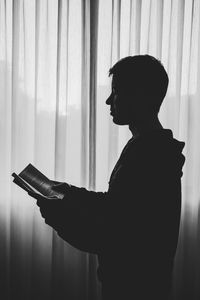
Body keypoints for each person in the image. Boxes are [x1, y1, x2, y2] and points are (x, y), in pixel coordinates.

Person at [28, 55, 185, 300]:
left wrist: (56, 214)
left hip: (134, 287)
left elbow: (114, 236)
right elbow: (116, 205)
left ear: (140, 95)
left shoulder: (150, 156)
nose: (108, 100)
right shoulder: (147, 147)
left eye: (116, 91)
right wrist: (67, 191)